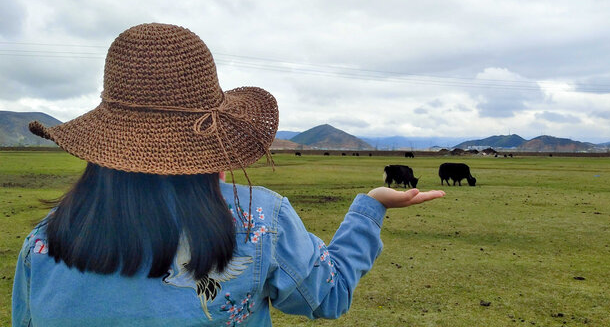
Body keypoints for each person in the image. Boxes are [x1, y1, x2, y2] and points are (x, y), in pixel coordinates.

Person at [12, 23, 445, 326]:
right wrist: (369, 209)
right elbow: (327, 295)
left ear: (102, 145)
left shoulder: (44, 242)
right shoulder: (260, 218)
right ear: (211, 142)